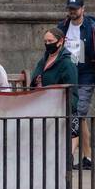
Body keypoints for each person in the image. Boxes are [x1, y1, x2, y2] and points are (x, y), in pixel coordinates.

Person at [57, 0, 95, 171]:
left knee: (77, 113)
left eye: (76, 8)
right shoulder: (62, 27)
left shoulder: (93, 28)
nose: (72, 11)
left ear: (83, 9)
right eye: (70, 8)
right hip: (67, 75)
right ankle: (87, 157)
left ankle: (69, 155)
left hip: (86, 75)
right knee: (81, 117)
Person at [30, 28, 78, 161]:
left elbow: (72, 87)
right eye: (45, 41)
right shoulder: (44, 59)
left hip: (58, 107)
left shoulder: (67, 62)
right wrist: (36, 80)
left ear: (60, 41)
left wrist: (70, 108)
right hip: (42, 104)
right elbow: (36, 76)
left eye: (50, 41)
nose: (47, 44)